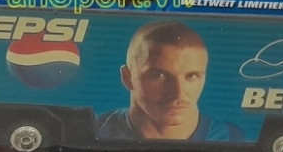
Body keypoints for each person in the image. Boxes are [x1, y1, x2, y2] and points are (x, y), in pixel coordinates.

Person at [96, 21, 244, 141]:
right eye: (159, 75)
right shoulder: (93, 134)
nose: (177, 94)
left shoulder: (233, 139)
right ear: (128, 77)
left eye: (191, 76)